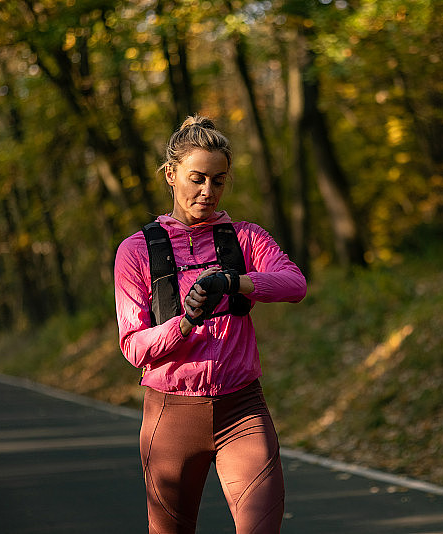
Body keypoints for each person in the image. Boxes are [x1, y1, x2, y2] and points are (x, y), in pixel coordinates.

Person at [114, 115, 307, 534]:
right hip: (171, 415)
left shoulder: (246, 238)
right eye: (196, 178)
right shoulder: (136, 251)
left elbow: (295, 284)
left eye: (218, 181)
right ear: (171, 174)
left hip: (243, 410)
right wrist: (184, 323)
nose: (207, 192)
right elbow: (133, 347)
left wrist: (233, 282)